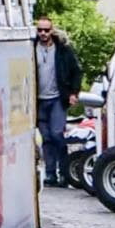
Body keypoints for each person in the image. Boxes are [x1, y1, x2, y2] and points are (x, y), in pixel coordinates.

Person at [34, 16, 82, 187]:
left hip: (57, 99)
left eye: (46, 30)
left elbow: (76, 71)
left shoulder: (63, 50)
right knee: (46, 137)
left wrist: (73, 93)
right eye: (40, 30)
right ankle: (50, 173)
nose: (43, 33)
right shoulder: (30, 49)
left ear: (52, 31)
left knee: (56, 134)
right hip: (38, 100)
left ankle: (64, 171)